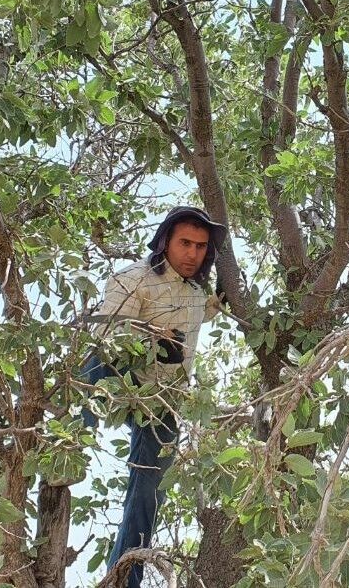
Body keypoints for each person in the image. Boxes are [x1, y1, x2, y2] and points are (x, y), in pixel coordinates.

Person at [81, 206, 225, 588]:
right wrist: (152, 340)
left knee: (148, 494)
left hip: (163, 403)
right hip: (122, 381)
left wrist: (220, 300)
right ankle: (70, 447)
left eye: (200, 246)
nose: (192, 253)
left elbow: (204, 312)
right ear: (165, 241)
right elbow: (104, 335)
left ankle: (125, 578)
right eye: (185, 243)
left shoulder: (197, 292)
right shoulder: (134, 279)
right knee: (93, 360)